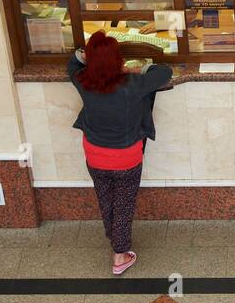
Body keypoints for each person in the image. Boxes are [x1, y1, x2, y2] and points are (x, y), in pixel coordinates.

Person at [69, 31, 172, 275]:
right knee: (124, 204)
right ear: (118, 59)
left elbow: (72, 62)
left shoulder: (83, 81)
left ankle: (115, 236)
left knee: (106, 200)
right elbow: (164, 71)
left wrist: (86, 57)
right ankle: (120, 254)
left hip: (94, 153)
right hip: (126, 156)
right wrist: (133, 71)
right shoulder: (132, 85)